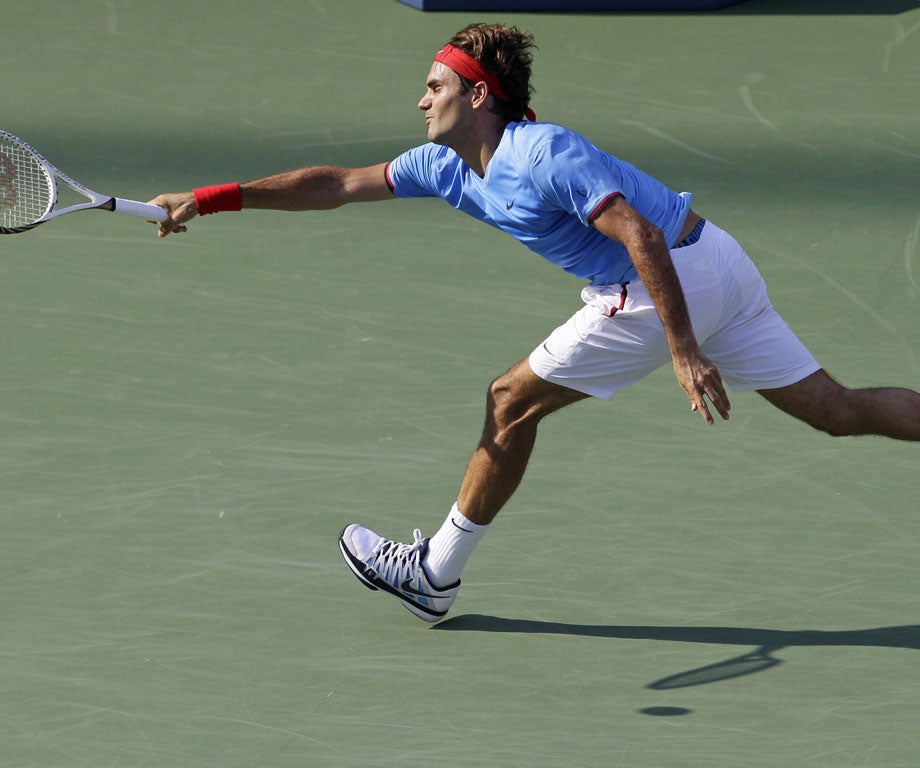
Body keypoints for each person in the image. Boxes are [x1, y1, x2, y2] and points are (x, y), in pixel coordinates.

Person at [148, 23, 920, 623]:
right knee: (837, 410)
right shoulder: (445, 169)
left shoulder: (542, 152)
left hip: (662, 280)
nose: (421, 100)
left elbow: (638, 235)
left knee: (508, 401)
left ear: (478, 95)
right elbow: (338, 185)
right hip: (716, 260)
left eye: (435, 86)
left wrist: (683, 348)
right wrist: (217, 197)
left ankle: (434, 573)